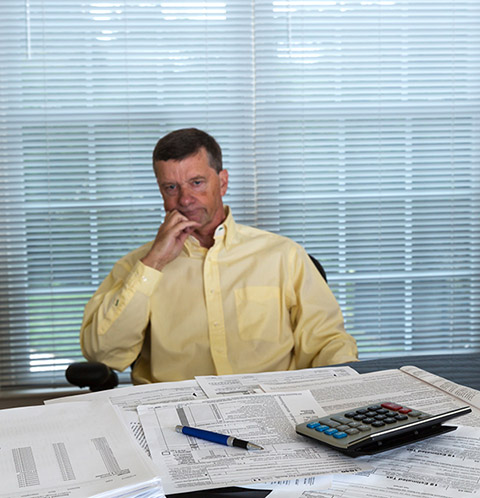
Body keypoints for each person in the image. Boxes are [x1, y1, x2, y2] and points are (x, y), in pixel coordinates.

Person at [80, 128, 357, 384]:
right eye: (171, 187)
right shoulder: (137, 265)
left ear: (222, 183)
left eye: (197, 182)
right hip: (170, 415)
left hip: (269, 407)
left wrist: (349, 389)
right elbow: (103, 354)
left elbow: (327, 343)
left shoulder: (284, 256)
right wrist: (153, 264)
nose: (185, 199)